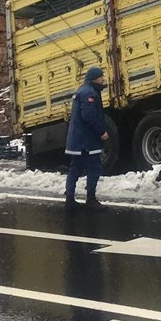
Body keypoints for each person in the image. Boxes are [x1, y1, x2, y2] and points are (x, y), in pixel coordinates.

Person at [64, 66, 109, 212]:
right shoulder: (89, 93)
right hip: (86, 141)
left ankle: (70, 199)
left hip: (78, 139)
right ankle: (90, 199)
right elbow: (88, 116)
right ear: (94, 78)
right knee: (94, 168)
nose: (103, 79)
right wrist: (101, 132)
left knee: (75, 168)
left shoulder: (84, 90)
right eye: (101, 76)